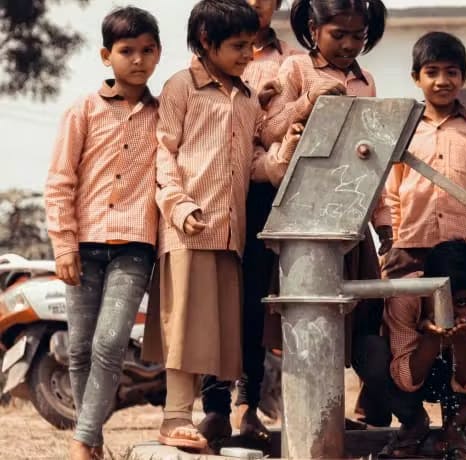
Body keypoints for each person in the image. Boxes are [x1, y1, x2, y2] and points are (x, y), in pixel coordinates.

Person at [142, 0, 300, 450]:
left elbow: (254, 164)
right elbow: (163, 152)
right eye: (237, 46)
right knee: (184, 324)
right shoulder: (181, 87)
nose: (248, 54)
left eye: (251, 45)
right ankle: (175, 417)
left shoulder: (246, 97)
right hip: (187, 226)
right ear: (207, 42)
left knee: (216, 329)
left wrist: (283, 152)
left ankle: (206, 417)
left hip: (230, 232)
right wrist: (177, 205)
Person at [257, 0, 391, 428]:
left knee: (351, 317)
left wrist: (382, 220)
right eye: (339, 35)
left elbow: (372, 154)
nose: (350, 45)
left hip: (349, 212)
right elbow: (267, 128)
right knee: (304, 316)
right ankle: (302, 414)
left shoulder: (366, 81)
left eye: (359, 36)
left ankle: (332, 413)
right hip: (302, 211)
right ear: (313, 29)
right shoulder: (295, 71)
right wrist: (309, 101)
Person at [44, 7, 161, 459]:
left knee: (110, 342)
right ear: (105, 55)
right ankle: (93, 440)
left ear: (158, 53)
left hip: (134, 245)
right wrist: (63, 244)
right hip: (85, 243)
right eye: (126, 51)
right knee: (78, 349)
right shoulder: (83, 110)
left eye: (147, 50)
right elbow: (60, 180)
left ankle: (81, 443)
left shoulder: (163, 114)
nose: (137, 59)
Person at [197, 0, 302, 445]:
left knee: (254, 306)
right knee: (213, 305)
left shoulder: (291, 62)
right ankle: (213, 408)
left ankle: (248, 406)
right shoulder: (201, 63)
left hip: (264, 194)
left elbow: (277, 127)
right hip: (214, 198)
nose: (257, 3)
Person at [352, 239, 466, 459]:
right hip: (413, 381)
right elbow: (406, 380)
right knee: (368, 348)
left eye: (461, 302)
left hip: (457, 381)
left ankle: (455, 427)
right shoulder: (405, 297)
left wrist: (460, 342)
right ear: (426, 284)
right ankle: (414, 423)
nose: (448, 311)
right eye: (440, 300)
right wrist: (431, 340)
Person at [383, 31, 466, 285]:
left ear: (464, 77)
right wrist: (392, 245)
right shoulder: (403, 126)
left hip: (461, 251)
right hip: (410, 248)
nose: (442, 81)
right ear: (416, 78)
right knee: (402, 318)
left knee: (460, 319)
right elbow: (392, 193)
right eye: (432, 72)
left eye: (451, 72)